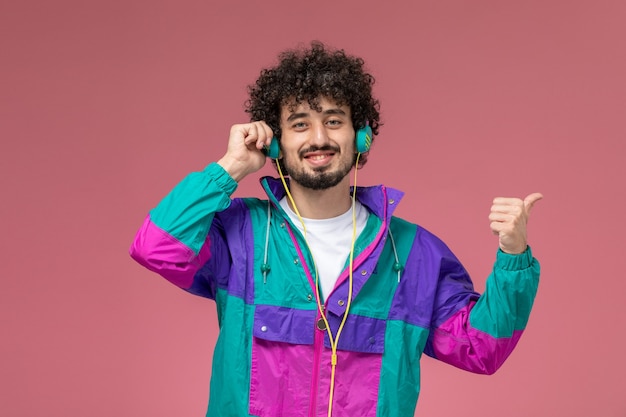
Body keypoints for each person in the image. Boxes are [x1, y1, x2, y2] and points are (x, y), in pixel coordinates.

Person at [130, 41, 542, 417]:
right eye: (299, 124)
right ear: (275, 143)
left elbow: (481, 348)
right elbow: (156, 248)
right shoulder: (241, 236)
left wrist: (513, 258)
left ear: (361, 137)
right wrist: (230, 168)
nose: (319, 138)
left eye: (333, 120)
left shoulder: (412, 253)